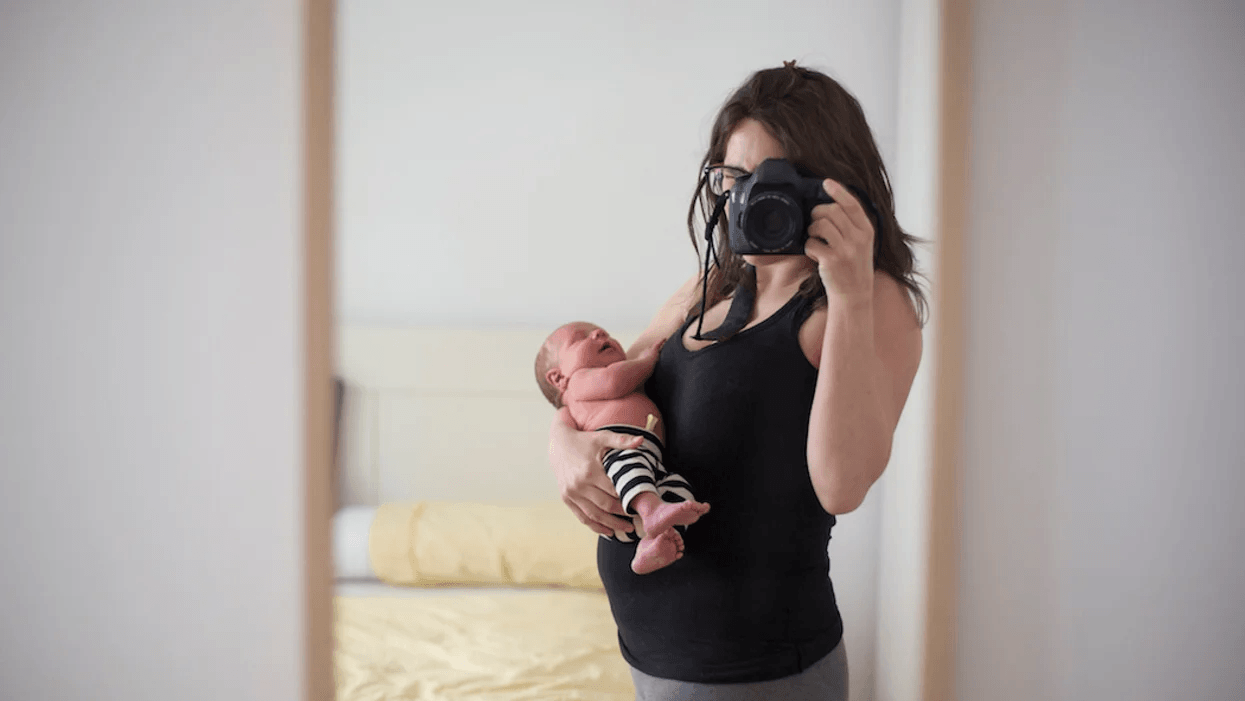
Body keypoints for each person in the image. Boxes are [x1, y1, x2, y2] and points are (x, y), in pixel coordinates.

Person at [547, 61, 927, 699]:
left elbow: (842, 486)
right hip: (655, 660)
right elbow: (606, 381)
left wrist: (851, 291)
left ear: (831, 186)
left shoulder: (872, 302)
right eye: (733, 178)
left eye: (773, 181)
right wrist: (561, 444)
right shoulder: (713, 283)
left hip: (759, 673)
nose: (746, 201)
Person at [536, 321, 710, 574]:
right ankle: (651, 511)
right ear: (558, 377)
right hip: (616, 458)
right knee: (629, 462)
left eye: (604, 332)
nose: (599, 333)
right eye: (581, 338)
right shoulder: (579, 381)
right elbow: (614, 381)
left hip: (641, 477)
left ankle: (651, 540)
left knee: (678, 488)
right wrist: (648, 359)